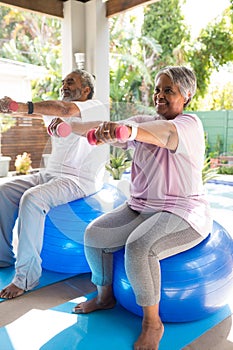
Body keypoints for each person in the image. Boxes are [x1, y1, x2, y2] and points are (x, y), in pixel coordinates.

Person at [67, 66, 212, 350]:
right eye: (158, 89)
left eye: (168, 90)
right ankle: (105, 295)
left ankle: (152, 323)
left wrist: (130, 131)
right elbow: (101, 127)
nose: (160, 95)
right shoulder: (142, 122)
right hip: (140, 207)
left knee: (139, 247)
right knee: (94, 236)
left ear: (187, 96)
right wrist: (68, 126)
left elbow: (163, 133)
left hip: (181, 210)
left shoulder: (188, 125)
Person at [0, 69, 109, 299]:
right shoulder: (58, 109)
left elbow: (64, 110)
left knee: (32, 199)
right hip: (50, 174)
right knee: (4, 191)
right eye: (63, 82)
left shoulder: (94, 106)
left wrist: (19, 105)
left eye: (71, 82)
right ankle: (3, 256)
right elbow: (44, 111)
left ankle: (25, 278)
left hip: (78, 180)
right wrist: (10, 106)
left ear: (86, 90)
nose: (64, 85)